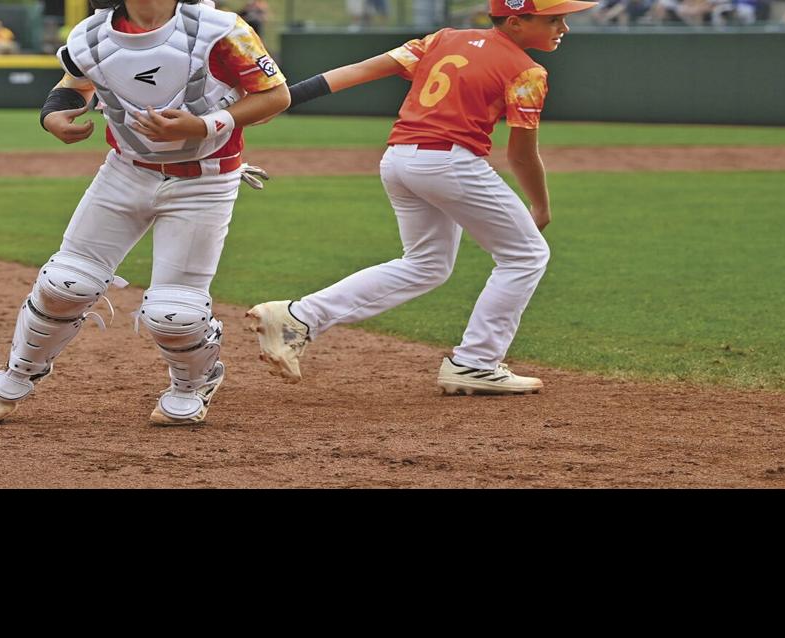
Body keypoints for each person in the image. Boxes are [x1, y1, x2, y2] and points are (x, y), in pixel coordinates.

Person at [244, 0, 597, 397]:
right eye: (553, 19)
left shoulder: (443, 39)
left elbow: (361, 70)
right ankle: (477, 363)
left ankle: (297, 316)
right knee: (526, 255)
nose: (563, 27)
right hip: (448, 163)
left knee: (427, 264)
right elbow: (520, 154)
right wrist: (541, 206)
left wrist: (284, 98)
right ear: (515, 22)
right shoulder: (527, 70)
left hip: (398, 159)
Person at [0, 0, 290, 426]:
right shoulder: (91, 35)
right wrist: (52, 116)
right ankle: (17, 374)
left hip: (206, 179)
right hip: (125, 171)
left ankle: (195, 383)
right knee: (65, 282)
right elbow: (76, 82)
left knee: (176, 313)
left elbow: (275, 95)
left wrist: (203, 125)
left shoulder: (220, 30)